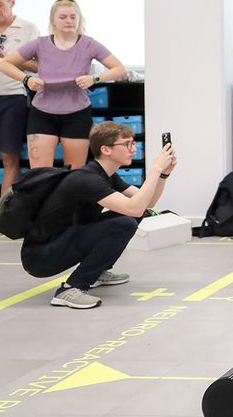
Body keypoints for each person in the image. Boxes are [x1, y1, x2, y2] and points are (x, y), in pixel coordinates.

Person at [20, 121, 177, 309]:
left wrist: (163, 176)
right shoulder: (87, 179)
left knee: (135, 215)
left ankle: (97, 271)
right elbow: (133, 208)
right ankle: (71, 288)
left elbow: (146, 203)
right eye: (127, 144)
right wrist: (156, 169)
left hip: (62, 241)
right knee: (125, 222)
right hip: (42, 256)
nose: (133, 149)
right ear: (106, 149)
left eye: (133, 143)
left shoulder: (107, 175)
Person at [0, 0, 127, 170]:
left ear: (79, 19)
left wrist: (94, 79)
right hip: (42, 114)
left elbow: (119, 69)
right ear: (53, 20)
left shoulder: (89, 44)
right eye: (63, 17)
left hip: (77, 114)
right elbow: (4, 63)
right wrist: (27, 79)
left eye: (73, 17)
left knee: (74, 175)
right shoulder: (40, 44)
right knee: (40, 175)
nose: (69, 21)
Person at [0, 0, 40, 194]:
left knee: (9, 157)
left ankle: (1, 219)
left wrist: (8, 58)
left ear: (12, 2)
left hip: (12, 98)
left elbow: (39, 66)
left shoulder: (28, 28)